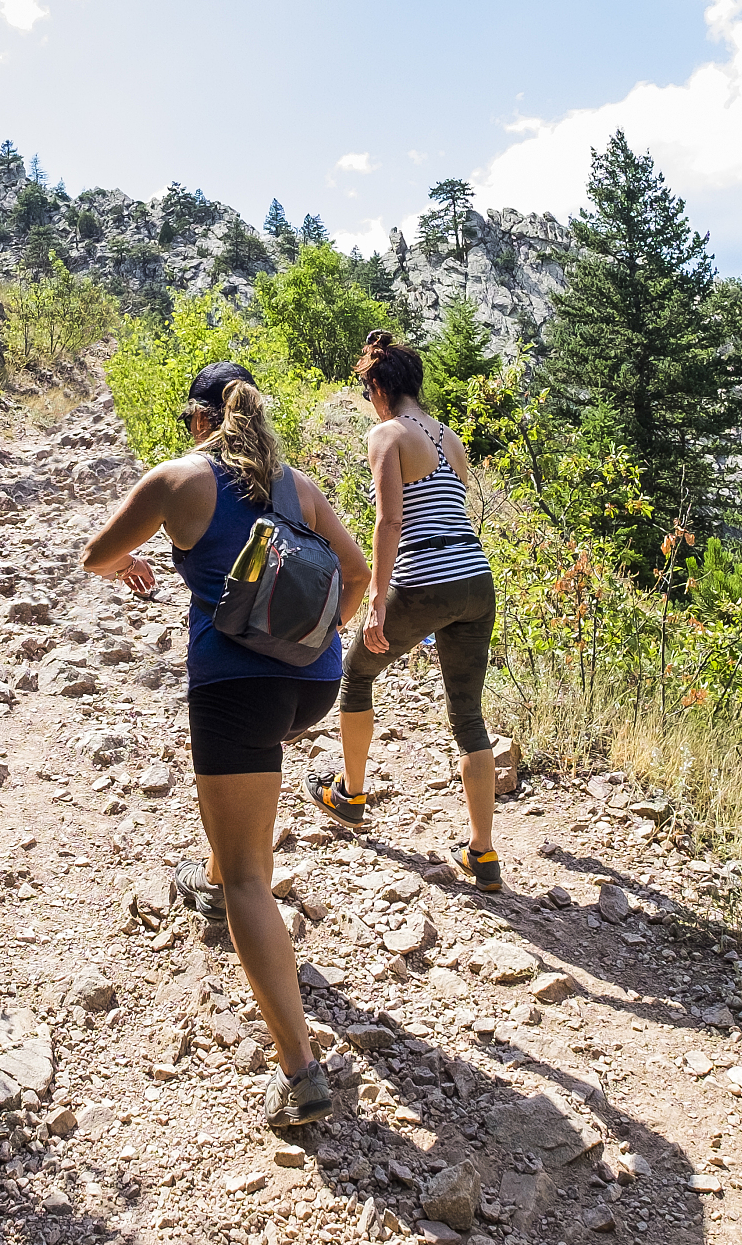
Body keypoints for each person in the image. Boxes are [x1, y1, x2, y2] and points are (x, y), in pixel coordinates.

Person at [81, 362, 369, 1130]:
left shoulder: (178, 480)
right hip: (313, 685)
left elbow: (95, 555)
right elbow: (357, 572)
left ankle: (300, 1072)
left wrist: (130, 565)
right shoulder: (298, 486)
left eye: (188, 421)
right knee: (241, 795)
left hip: (238, 687)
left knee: (252, 876)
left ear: (201, 419)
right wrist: (310, 636)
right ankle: (209, 880)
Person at [308, 330, 502, 890]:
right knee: (468, 716)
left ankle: (350, 795)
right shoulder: (450, 438)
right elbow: (451, 506)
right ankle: (483, 854)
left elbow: (390, 521)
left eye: (367, 389)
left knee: (356, 673)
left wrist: (376, 599)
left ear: (379, 386)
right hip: (476, 578)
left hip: (424, 579)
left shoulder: (387, 434)